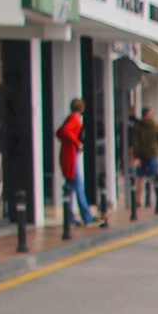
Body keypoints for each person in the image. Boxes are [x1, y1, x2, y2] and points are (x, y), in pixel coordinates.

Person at [56, 97, 92, 228]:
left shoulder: (70, 117)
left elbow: (59, 132)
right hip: (70, 155)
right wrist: (76, 143)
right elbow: (65, 131)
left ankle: (70, 216)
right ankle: (86, 215)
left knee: (70, 187)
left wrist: (67, 143)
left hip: (67, 153)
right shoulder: (75, 118)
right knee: (78, 185)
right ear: (81, 108)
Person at [129, 106, 158, 216]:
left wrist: (135, 155)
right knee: (154, 177)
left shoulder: (137, 126)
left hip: (140, 154)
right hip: (152, 153)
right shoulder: (155, 125)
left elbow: (134, 142)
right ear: (148, 114)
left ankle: (138, 200)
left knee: (140, 177)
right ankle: (156, 203)